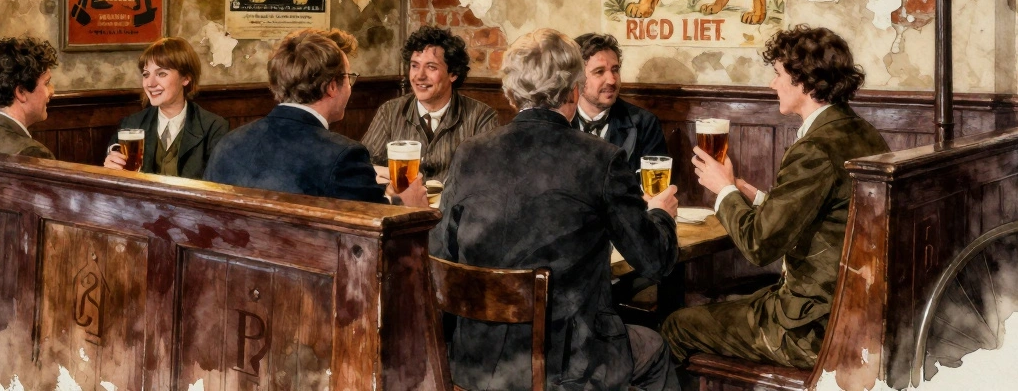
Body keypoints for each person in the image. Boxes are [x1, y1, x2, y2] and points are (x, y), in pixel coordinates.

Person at [430, 28, 681, 391]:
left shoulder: (469, 152)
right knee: (655, 348)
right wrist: (660, 214)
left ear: (510, 92)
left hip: (475, 361)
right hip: (567, 366)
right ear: (574, 88)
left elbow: (441, 254)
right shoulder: (600, 158)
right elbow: (655, 263)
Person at [662, 25, 891, 371]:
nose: (772, 84)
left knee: (676, 326)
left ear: (806, 82)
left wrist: (723, 190)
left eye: (778, 74)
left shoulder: (814, 148)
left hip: (813, 329)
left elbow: (760, 246)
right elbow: (829, 213)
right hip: (855, 313)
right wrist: (755, 198)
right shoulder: (862, 133)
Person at [204, 28, 428, 207]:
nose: (350, 86)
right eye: (349, 77)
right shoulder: (343, 157)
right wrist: (406, 204)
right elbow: (371, 241)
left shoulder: (228, 144)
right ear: (332, 86)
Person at [361, 26, 498, 184]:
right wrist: (393, 176)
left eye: (431, 67)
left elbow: (488, 177)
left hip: (454, 208)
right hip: (402, 207)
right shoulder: (390, 112)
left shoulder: (481, 117)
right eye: (414, 66)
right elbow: (362, 166)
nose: (419, 76)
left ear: (453, 74)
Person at [102, 37, 228, 178]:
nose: (150, 83)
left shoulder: (214, 127)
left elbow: (219, 185)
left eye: (161, 74)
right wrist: (109, 172)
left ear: (186, 78)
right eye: (146, 74)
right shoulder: (130, 124)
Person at [572, 33, 668, 171]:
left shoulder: (644, 123)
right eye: (599, 72)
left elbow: (657, 187)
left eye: (615, 70)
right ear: (577, 77)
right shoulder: (558, 123)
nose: (612, 80)